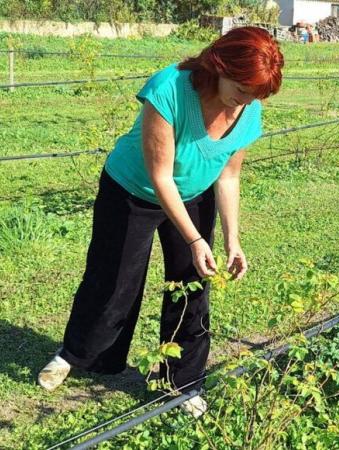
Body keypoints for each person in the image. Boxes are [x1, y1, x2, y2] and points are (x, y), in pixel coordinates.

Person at [37, 26, 284, 418]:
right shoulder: (169, 88)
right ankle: (79, 355)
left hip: (195, 193)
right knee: (115, 278)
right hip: (133, 190)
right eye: (241, 88)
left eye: (255, 95)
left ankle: (181, 384)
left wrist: (231, 240)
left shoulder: (249, 108)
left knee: (192, 285)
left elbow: (229, 175)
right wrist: (193, 238)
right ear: (219, 65)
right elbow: (161, 177)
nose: (245, 101)